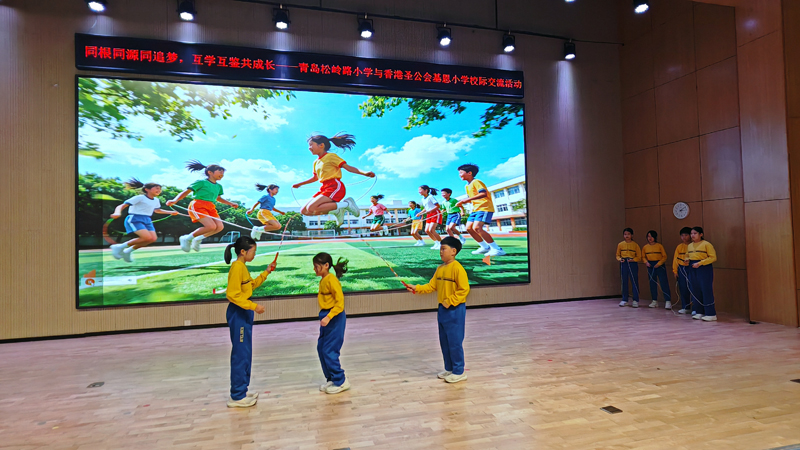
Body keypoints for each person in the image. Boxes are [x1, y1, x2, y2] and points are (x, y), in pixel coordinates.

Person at [406, 236, 470, 384]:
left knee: (455, 341)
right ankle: (449, 368)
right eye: (440, 249)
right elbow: (431, 286)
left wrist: (449, 301)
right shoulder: (440, 269)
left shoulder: (457, 268)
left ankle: (459, 371)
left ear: (453, 251)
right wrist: (416, 288)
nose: (441, 252)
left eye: (444, 249)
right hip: (442, 309)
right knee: (444, 341)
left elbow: (464, 289)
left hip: (455, 310)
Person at [223, 236, 276, 408]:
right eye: (253, 251)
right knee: (240, 354)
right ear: (243, 252)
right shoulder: (237, 267)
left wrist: (267, 272)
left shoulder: (242, 267)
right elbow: (232, 295)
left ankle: (242, 390)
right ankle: (237, 396)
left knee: (245, 353)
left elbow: (250, 285)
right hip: (239, 312)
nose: (254, 254)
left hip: (244, 312)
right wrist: (254, 306)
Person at [291, 133, 374, 226]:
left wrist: (364, 173)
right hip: (324, 188)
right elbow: (315, 178)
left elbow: (348, 167)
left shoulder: (331, 156)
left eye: (311, 145)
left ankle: (347, 204)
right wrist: (300, 184)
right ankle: (336, 210)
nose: (309, 148)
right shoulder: (315, 162)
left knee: (311, 207)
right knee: (304, 211)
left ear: (321, 145)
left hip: (334, 186)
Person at [166, 160, 239, 253]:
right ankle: (187, 238)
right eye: (220, 171)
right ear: (210, 172)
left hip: (211, 207)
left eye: (223, 173)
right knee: (211, 226)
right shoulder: (201, 182)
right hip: (198, 205)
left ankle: (197, 239)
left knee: (219, 227)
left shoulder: (219, 186)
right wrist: (175, 200)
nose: (222, 174)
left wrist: (230, 203)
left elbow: (218, 198)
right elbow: (186, 191)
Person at [109, 178, 178, 263]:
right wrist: (117, 212)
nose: (159, 190)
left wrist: (171, 212)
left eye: (160, 189)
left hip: (147, 219)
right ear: (147, 189)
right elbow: (122, 205)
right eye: (156, 188)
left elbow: (157, 210)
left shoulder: (156, 200)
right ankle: (119, 247)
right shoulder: (140, 197)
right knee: (146, 237)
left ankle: (128, 251)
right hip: (135, 218)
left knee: (152, 239)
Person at [313, 252, 351, 394]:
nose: (314, 269)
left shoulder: (332, 280)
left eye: (317, 266)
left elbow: (340, 303)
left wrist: (329, 317)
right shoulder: (324, 280)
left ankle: (341, 381)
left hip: (334, 317)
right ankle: (331, 378)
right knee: (321, 348)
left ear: (326, 266)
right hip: (326, 315)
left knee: (329, 350)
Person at [455, 164, 505, 256]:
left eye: (461, 172)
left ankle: (497, 249)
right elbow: (471, 198)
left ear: (469, 173)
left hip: (484, 207)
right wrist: (462, 202)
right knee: (469, 228)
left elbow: (483, 194)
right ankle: (484, 247)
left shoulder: (476, 182)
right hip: (475, 209)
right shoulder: (466, 186)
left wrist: (466, 200)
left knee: (477, 228)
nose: (459, 175)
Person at [686, 226, 718, 322]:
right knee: (695, 289)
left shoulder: (706, 244)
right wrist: (687, 259)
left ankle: (711, 313)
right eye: (691, 233)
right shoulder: (689, 245)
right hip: (692, 267)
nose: (692, 235)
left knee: (706, 290)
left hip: (704, 268)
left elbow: (713, 257)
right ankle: (699, 311)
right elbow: (687, 255)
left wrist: (700, 263)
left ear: (701, 234)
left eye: (695, 233)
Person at [642, 230, 671, 309]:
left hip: (659, 265)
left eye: (651, 236)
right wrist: (646, 262)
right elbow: (643, 257)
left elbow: (664, 256)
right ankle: (654, 300)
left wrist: (659, 263)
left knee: (663, 283)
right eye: (648, 236)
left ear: (655, 237)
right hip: (650, 265)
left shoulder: (659, 246)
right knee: (652, 283)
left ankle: (668, 301)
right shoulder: (645, 247)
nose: (650, 238)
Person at [616, 228, 641, 307]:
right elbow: (617, 255)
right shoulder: (620, 244)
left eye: (628, 234)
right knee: (624, 281)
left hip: (632, 263)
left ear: (632, 235)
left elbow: (639, 256)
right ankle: (624, 299)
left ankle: (635, 300)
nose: (627, 236)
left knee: (634, 281)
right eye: (625, 234)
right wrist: (620, 259)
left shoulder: (635, 245)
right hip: (624, 263)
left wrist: (633, 260)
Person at [673, 227, 692, 314]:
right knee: (683, 288)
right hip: (681, 268)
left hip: (691, 267)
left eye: (686, 235)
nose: (684, 237)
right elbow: (675, 259)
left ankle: (696, 309)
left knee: (693, 288)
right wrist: (675, 270)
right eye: (682, 235)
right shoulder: (679, 246)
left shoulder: (693, 245)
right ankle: (685, 307)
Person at [418, 185, 443, 250]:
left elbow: (438, 206)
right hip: (429, 215)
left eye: (420, 190)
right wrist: (420, 213)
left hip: (435, 213)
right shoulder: (422, 199)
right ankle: (436, 243)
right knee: (427, 230)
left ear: (426, 190)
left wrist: (430, 211)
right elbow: (425, 208)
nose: (419, 191)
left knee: (431, 230)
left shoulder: (430, 197)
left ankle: (441, 244)